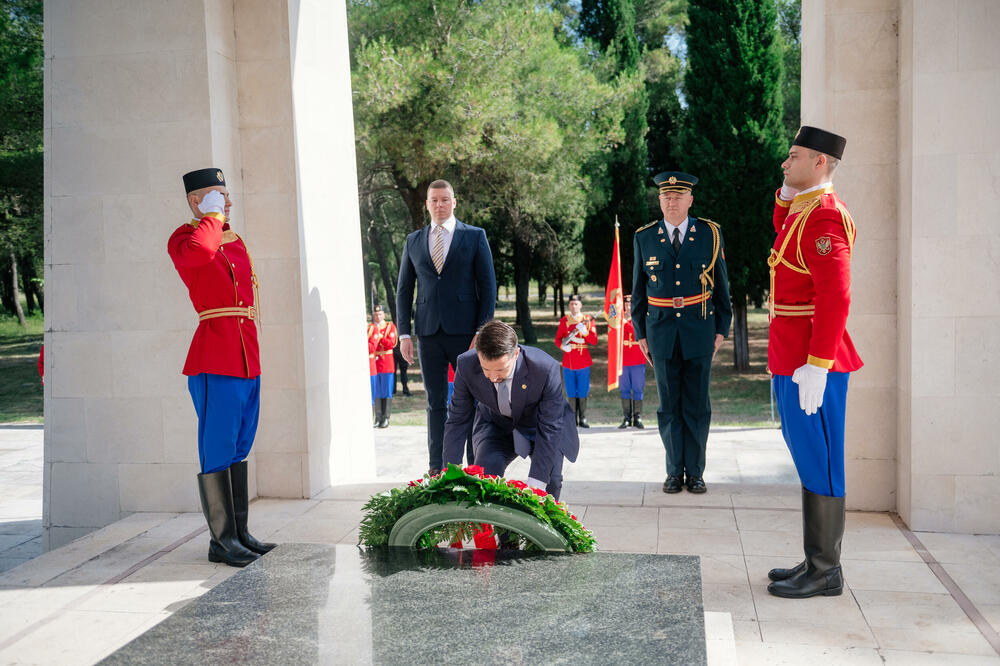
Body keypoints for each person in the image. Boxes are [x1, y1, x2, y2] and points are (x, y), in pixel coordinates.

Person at [764, 126, 862, 599]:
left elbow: (836, 296)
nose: (786, 163)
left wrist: (819, 364)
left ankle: (825, 570)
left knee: (821, 460)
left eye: (794, 156)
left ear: (820, 162)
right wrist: (784, 196)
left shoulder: (824, 217)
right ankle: (818, 561)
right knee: (808, 457)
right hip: (793, 357)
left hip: (811, 362)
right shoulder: (804, 211)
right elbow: (783, 234)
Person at [168, 167, 275, 568]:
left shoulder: (232, 237)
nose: (227, 202)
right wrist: (210, 217)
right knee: (217, 446)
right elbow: (200, 254)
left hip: (245, 351)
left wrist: (217, 218)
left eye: (226, 196)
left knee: (240, 444)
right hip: (215, 354)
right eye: (216, 196)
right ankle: (221, 540)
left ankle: (240, 533)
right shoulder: (185, 238)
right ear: (196, 201)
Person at [632, 171, 732, 494]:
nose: (671, 202)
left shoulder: (710, 234)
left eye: (678, 197)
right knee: (668, 407)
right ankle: (674, 472)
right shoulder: (643, 237)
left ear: (690, 200)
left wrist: (721, 330)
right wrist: (639, 333)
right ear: (659, 200)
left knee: (697, 405)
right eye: (666, 197)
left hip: (700, 331)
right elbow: (637, 292)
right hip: (660, 333)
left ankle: (697, 473)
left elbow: (722, 288)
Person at [396, 180, 497, 475]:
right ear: (427, 204)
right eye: (434, 200)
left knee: (473, 402)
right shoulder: (413, 241)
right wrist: (404, 334)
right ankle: (437, 469)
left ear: (454, 202)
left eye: (445, 200)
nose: (439, 205)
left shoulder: (475, 236)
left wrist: (482, 331)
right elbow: (404, 291)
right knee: (435, 403)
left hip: (467, 335)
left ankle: (474, 468)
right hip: (428, 334)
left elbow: (488, 286)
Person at [443, 320, 579, 500]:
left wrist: (536, 485)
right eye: (486, 369)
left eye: (500, 370)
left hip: (540, 427)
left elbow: (550, 426)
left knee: (549, 484)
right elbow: (457, 420)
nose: (492, 377)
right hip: (496, 425)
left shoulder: (544, 368)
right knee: (485, 480)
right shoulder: (466, 364)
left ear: (516, 354)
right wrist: (450, 473)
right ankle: (493, 526)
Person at [554, 294, 598, 428]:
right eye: (572, 304)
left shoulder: (587, 320)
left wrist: (585, 331)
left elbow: (594, 340)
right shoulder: (564, 321)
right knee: (571, 391)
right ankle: (572, 419)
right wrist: (563, 347)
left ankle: (583, 418)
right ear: (569, 305)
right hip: (569, 361)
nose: (574, 306)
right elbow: (557, 339)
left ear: (581, 305)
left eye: (576, 304)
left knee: (583, 390)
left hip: (583, 360)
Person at [618, 294, 646, 429]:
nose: (628, 307)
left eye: (631, 304)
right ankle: (626, 417)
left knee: (638, 389)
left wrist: (625, 323)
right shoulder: (618, 321)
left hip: (637, 360)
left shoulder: (640, 319)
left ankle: (638, 417)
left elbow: (637, 332)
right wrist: (622, 322)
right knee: (624, 389)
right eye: (626, 305)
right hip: (623, 361)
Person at [368, 304, 398, 428]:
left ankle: (386, 418)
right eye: (375, 314)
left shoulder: (390, 327)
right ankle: (378, 418)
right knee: (377, 392)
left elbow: (392, 343)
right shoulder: (370, 328)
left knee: (386, 391)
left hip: (386, 363)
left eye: (380, 314)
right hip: (375, 364)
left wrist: (381, 338)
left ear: (384, 315)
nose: (377, 316)